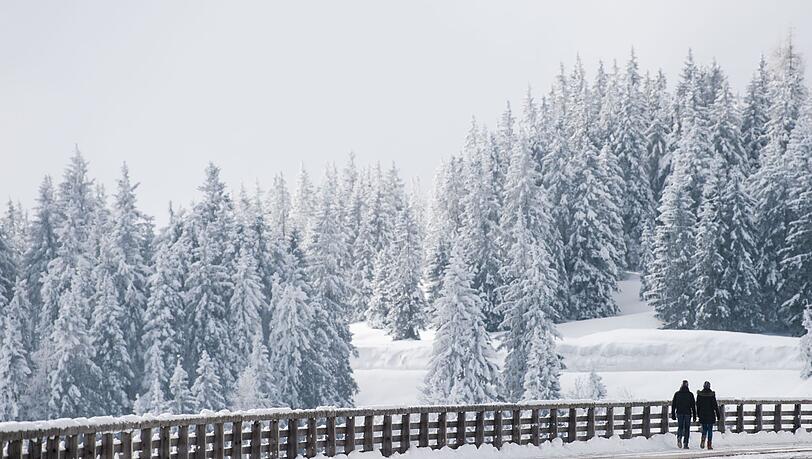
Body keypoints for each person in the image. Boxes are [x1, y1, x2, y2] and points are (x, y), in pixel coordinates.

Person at [671, 380, 696, 449]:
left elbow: (673, 405)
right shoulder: (690, 394)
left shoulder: (677, 394)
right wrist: (694, 416)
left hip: (679, 413)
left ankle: (679, 437)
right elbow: (693, 406)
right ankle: (685, 443)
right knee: (687, 428)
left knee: (680, 427)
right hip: (687, 413)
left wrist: (673, 414)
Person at [696, 381, 721, 450]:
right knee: (710, 429)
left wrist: (698, 414)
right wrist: (718, 415)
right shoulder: (711, 395)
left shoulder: (700, 395)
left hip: (702, 414)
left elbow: (698, 405)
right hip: (710, 414)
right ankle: (709, 445)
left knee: (704, 429)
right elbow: (715, 406)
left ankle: (703, 440)